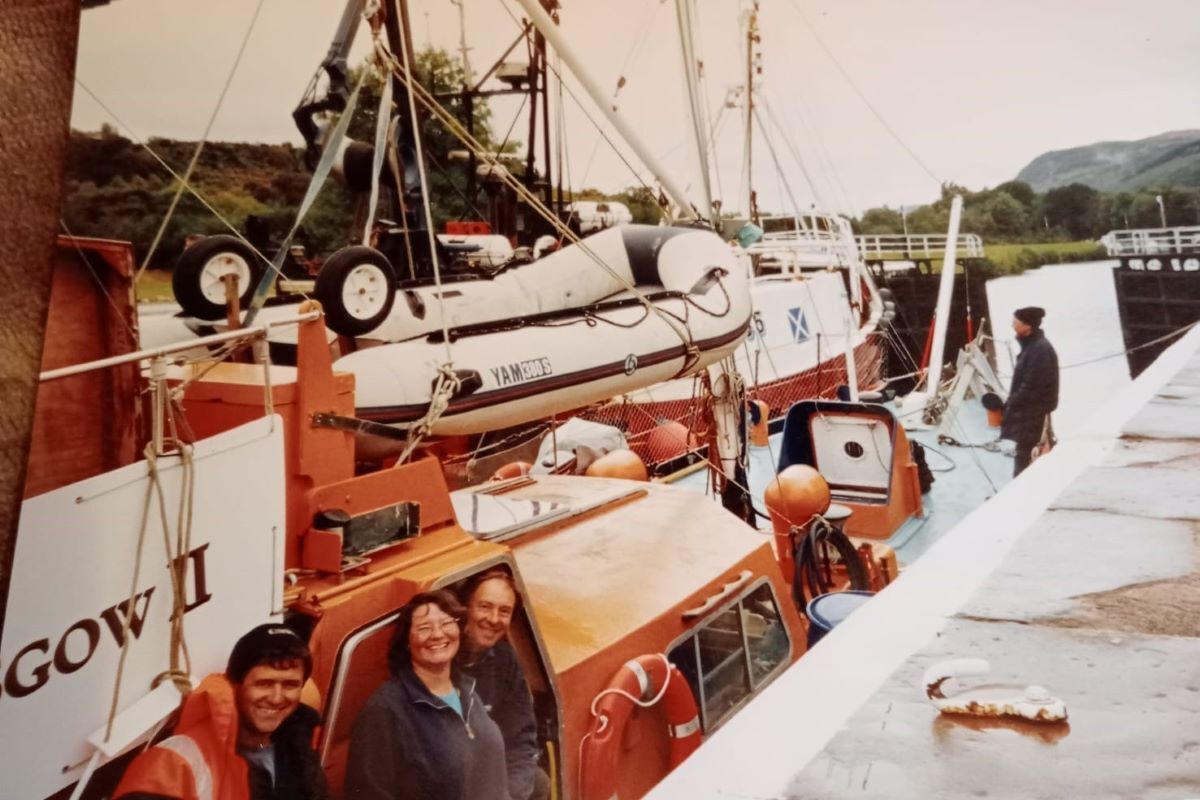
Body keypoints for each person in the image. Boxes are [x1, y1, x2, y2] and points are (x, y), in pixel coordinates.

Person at [114, 623, 328, 800]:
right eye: (264, 684)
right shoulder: (175, 762)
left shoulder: (299, 738)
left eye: (290, 685)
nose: (276, 698)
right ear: (235, 684)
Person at [345, 590, 509, 800]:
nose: (438, 634)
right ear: (406, 641)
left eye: (446, 623)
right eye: (424, 628)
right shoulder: (384, 709)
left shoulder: (467, 691)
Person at [457, 571, 549, 800]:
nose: (494, 619)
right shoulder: (439, 658)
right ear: (464, 608)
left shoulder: (504, 659)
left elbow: (520, 741)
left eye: (504, 611)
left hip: (491, 783)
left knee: (539, 782)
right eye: (485, 606)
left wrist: (508, 795)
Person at [1001, 306, 1059, 477]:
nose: (1012, 325)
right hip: (1030, 412)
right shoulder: (1033, 347)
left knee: (1025, 452)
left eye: (1016, 322)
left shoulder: (1038, 350)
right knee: (1024, 451)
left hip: (1032, 414)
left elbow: (1033, 385)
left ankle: (1019, 490)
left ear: (1028, 326)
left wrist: (1012, 402)